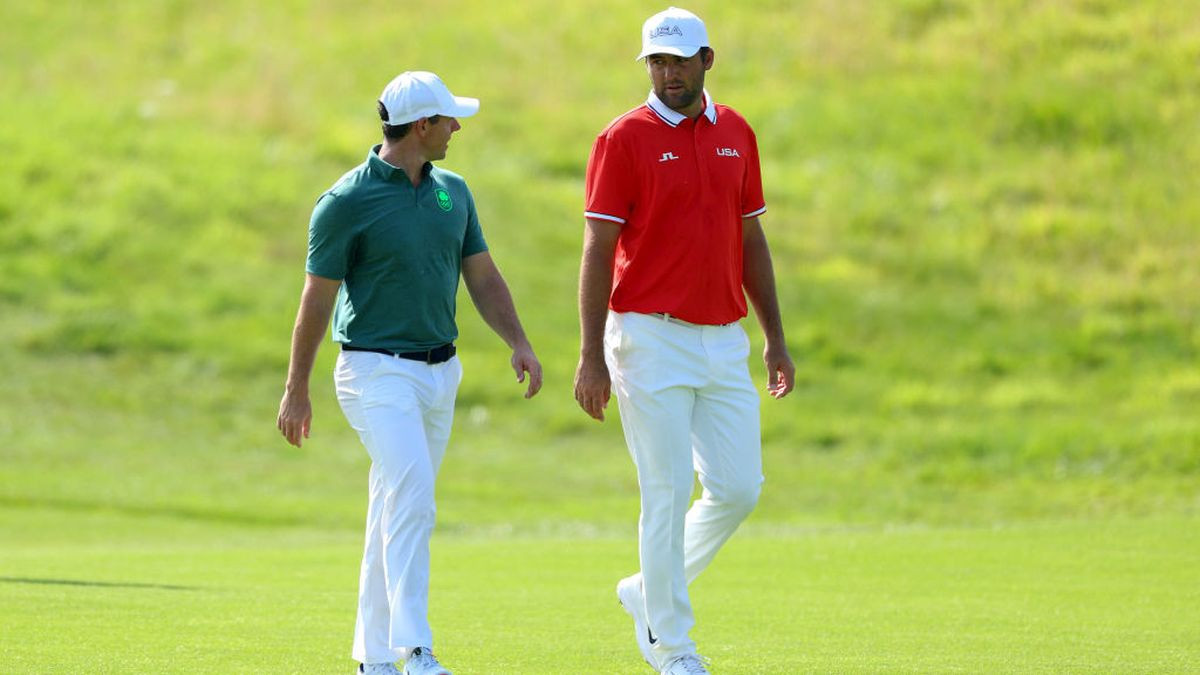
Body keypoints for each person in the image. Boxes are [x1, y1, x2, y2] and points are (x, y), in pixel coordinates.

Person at [277, 71, 542, 675]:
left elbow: (482, 275)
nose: (457, 127)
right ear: (421, 126)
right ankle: (414, 649)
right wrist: (296, 390)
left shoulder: (454, 191)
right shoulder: (346, 201)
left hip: (439, 373)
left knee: (393, 504)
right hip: (374, 372)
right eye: (449, 119)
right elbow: (315, 302)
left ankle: (371, 657)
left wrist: (518, 340)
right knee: (415, 497)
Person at [573, 7, 795, 674]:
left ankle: (647, 588)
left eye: (680, 60)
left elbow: (751, 237)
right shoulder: (623, 138)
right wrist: (590, 354)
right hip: (647, 335)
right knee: (665, 490)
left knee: (738, 486)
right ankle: (672, 646)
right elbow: (597, 248)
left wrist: (774, 336)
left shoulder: (737, 132)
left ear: (708, 59)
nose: (669, 74)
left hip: (724, 336)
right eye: (657, 63)